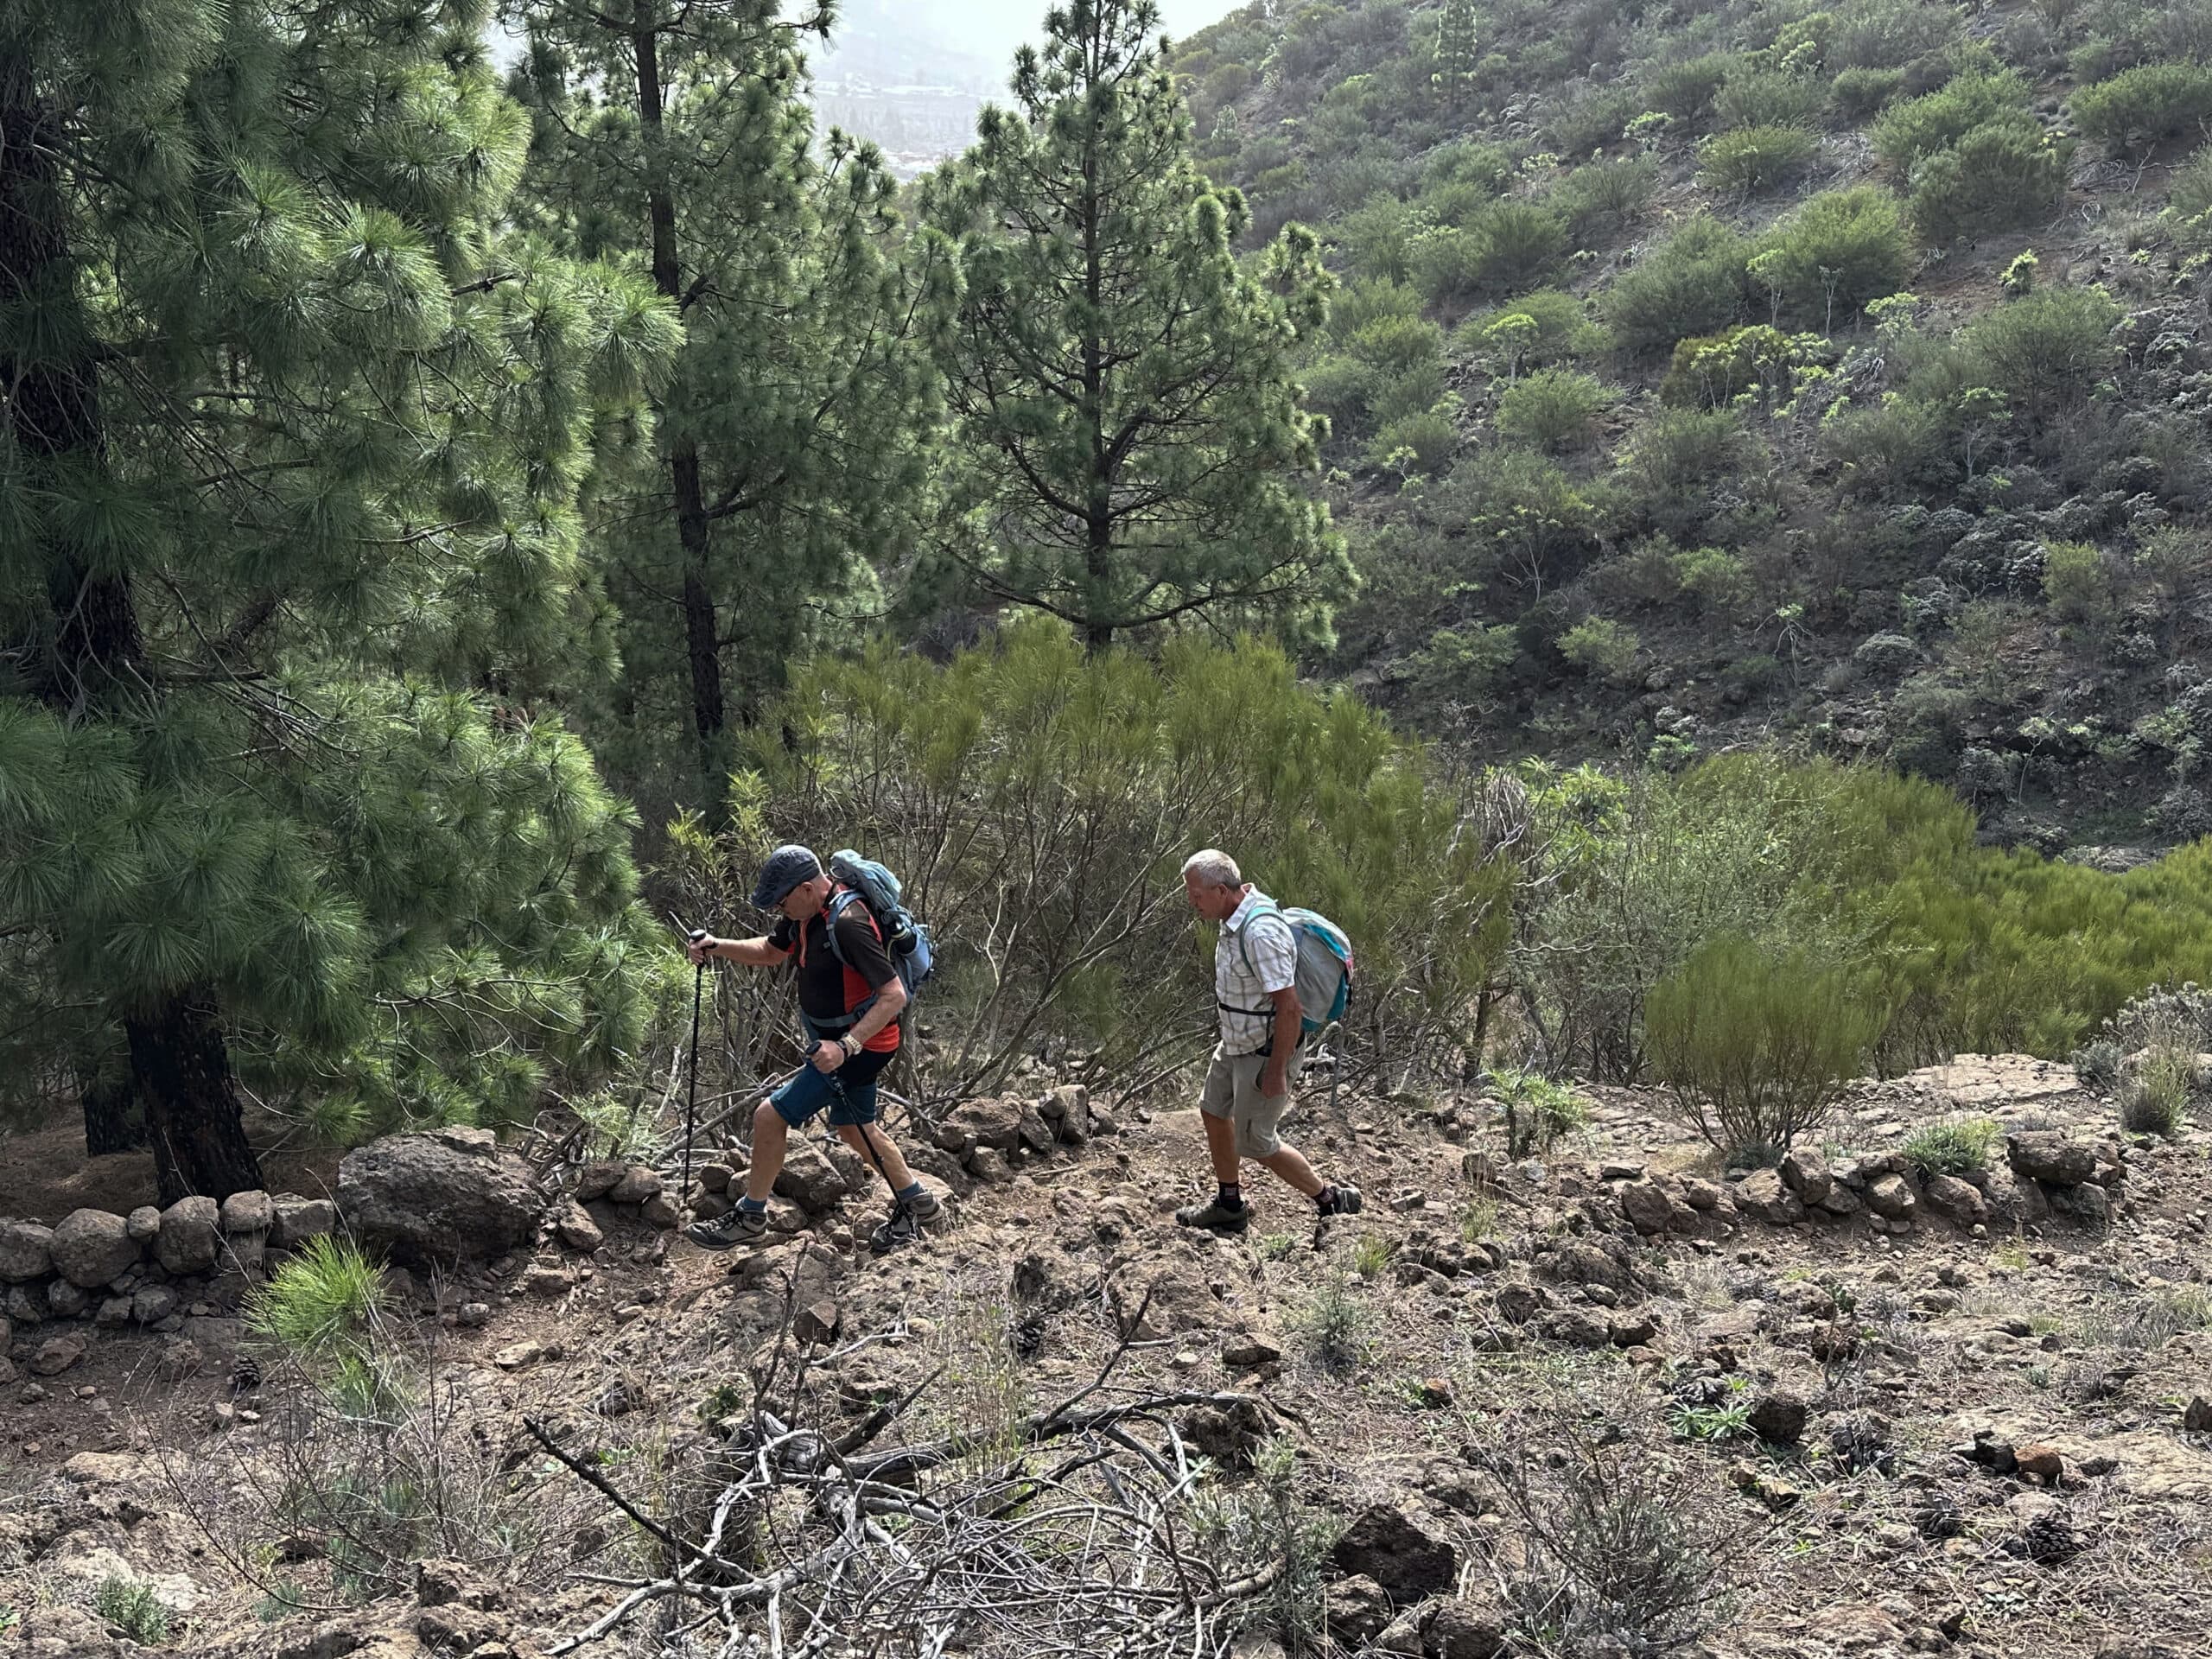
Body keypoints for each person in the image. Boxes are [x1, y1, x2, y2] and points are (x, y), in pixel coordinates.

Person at [683, 844, 942, 1254]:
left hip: (861, 1046)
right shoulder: (807, 915)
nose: (779, 910)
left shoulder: (848, 924)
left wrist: (846, 1046)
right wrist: (717, 946)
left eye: (782, 902)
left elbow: (893, 995)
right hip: (844, 1045)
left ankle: (751, 1217)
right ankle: (919, 1203)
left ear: (806, 888)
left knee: (769, 1115)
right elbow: (770, 952)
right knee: (856, 1129)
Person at [1174, 849, 1361, 1235]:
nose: (1192, 902)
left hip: (1263, 1051)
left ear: (1222, 891)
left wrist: (1276, 1071)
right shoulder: (1233, 917)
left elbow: (1290, 1009)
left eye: (1196, 895)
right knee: (1212, 1109)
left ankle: (1329, 1198)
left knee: (1257, 1142)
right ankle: (1229, 1204)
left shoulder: (1260, 933)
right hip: (1235, 1042)